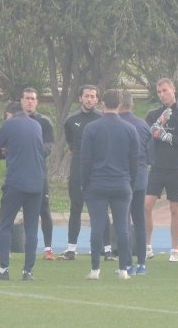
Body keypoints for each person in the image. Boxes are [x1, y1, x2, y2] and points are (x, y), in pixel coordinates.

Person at [80, 89, 139, 280]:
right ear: (120, 103)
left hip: (97, 183)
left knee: (97, 226)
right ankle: (124, 269)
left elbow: (85, 159)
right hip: (121, 183)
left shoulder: (92, 128)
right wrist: (130, 182)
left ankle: (95, 269)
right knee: (123, 227)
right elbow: (134, 160)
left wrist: (84, 183)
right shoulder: (130, 129)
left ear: (102, 103)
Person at [0, 100, 46, 281]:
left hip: (16, 181)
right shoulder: (36, 125)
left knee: (6, 225)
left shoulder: (9, 124)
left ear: (9, 114)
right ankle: (28, 271)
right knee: (31, 228)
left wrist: (7, 151)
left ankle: (4, 269)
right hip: (37, 181)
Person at [144, 78, 178, 262]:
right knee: (146, 206)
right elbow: (146, 136)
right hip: (157, 166)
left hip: (177, 167)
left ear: (173, 90)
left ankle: (174, 249)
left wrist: (169, 137)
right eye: (159, 92)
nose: (162, 95)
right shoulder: (153, 114)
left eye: (165, 90)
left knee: (175, 208)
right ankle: (147, 246)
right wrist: (156, 129)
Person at [63, 86, 102, 260]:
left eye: (93, 96)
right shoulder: (71, 120)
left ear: (97, 99)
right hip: (78, 170)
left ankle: (104, 248)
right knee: (76, 207)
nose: (89, 99)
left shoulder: (102, 118)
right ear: (80, 98)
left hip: (98, 171)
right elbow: (71, 145)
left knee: (99, 209)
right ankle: (71, 248)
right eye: (86, 96)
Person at [20, 88, 57, 260]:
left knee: (44, 209)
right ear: (21, 100)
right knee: (12, 210)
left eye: (33, 99)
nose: (30, 101)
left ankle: (48, 248)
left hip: (38, 173)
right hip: (18, 173)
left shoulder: (44, 122)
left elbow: (49, 146)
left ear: (37, 102)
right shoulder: (15, 121)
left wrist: (32, 152)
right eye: (27, 98)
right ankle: (8, 248)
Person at [118, 93, 152, 274]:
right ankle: (141, 263)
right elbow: (151, 154)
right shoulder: (143, 125)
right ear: (132, 105)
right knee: (139, 219)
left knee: (124, 220)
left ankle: (127, 263)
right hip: (140, 177)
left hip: (122, 177)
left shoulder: (117, 125)